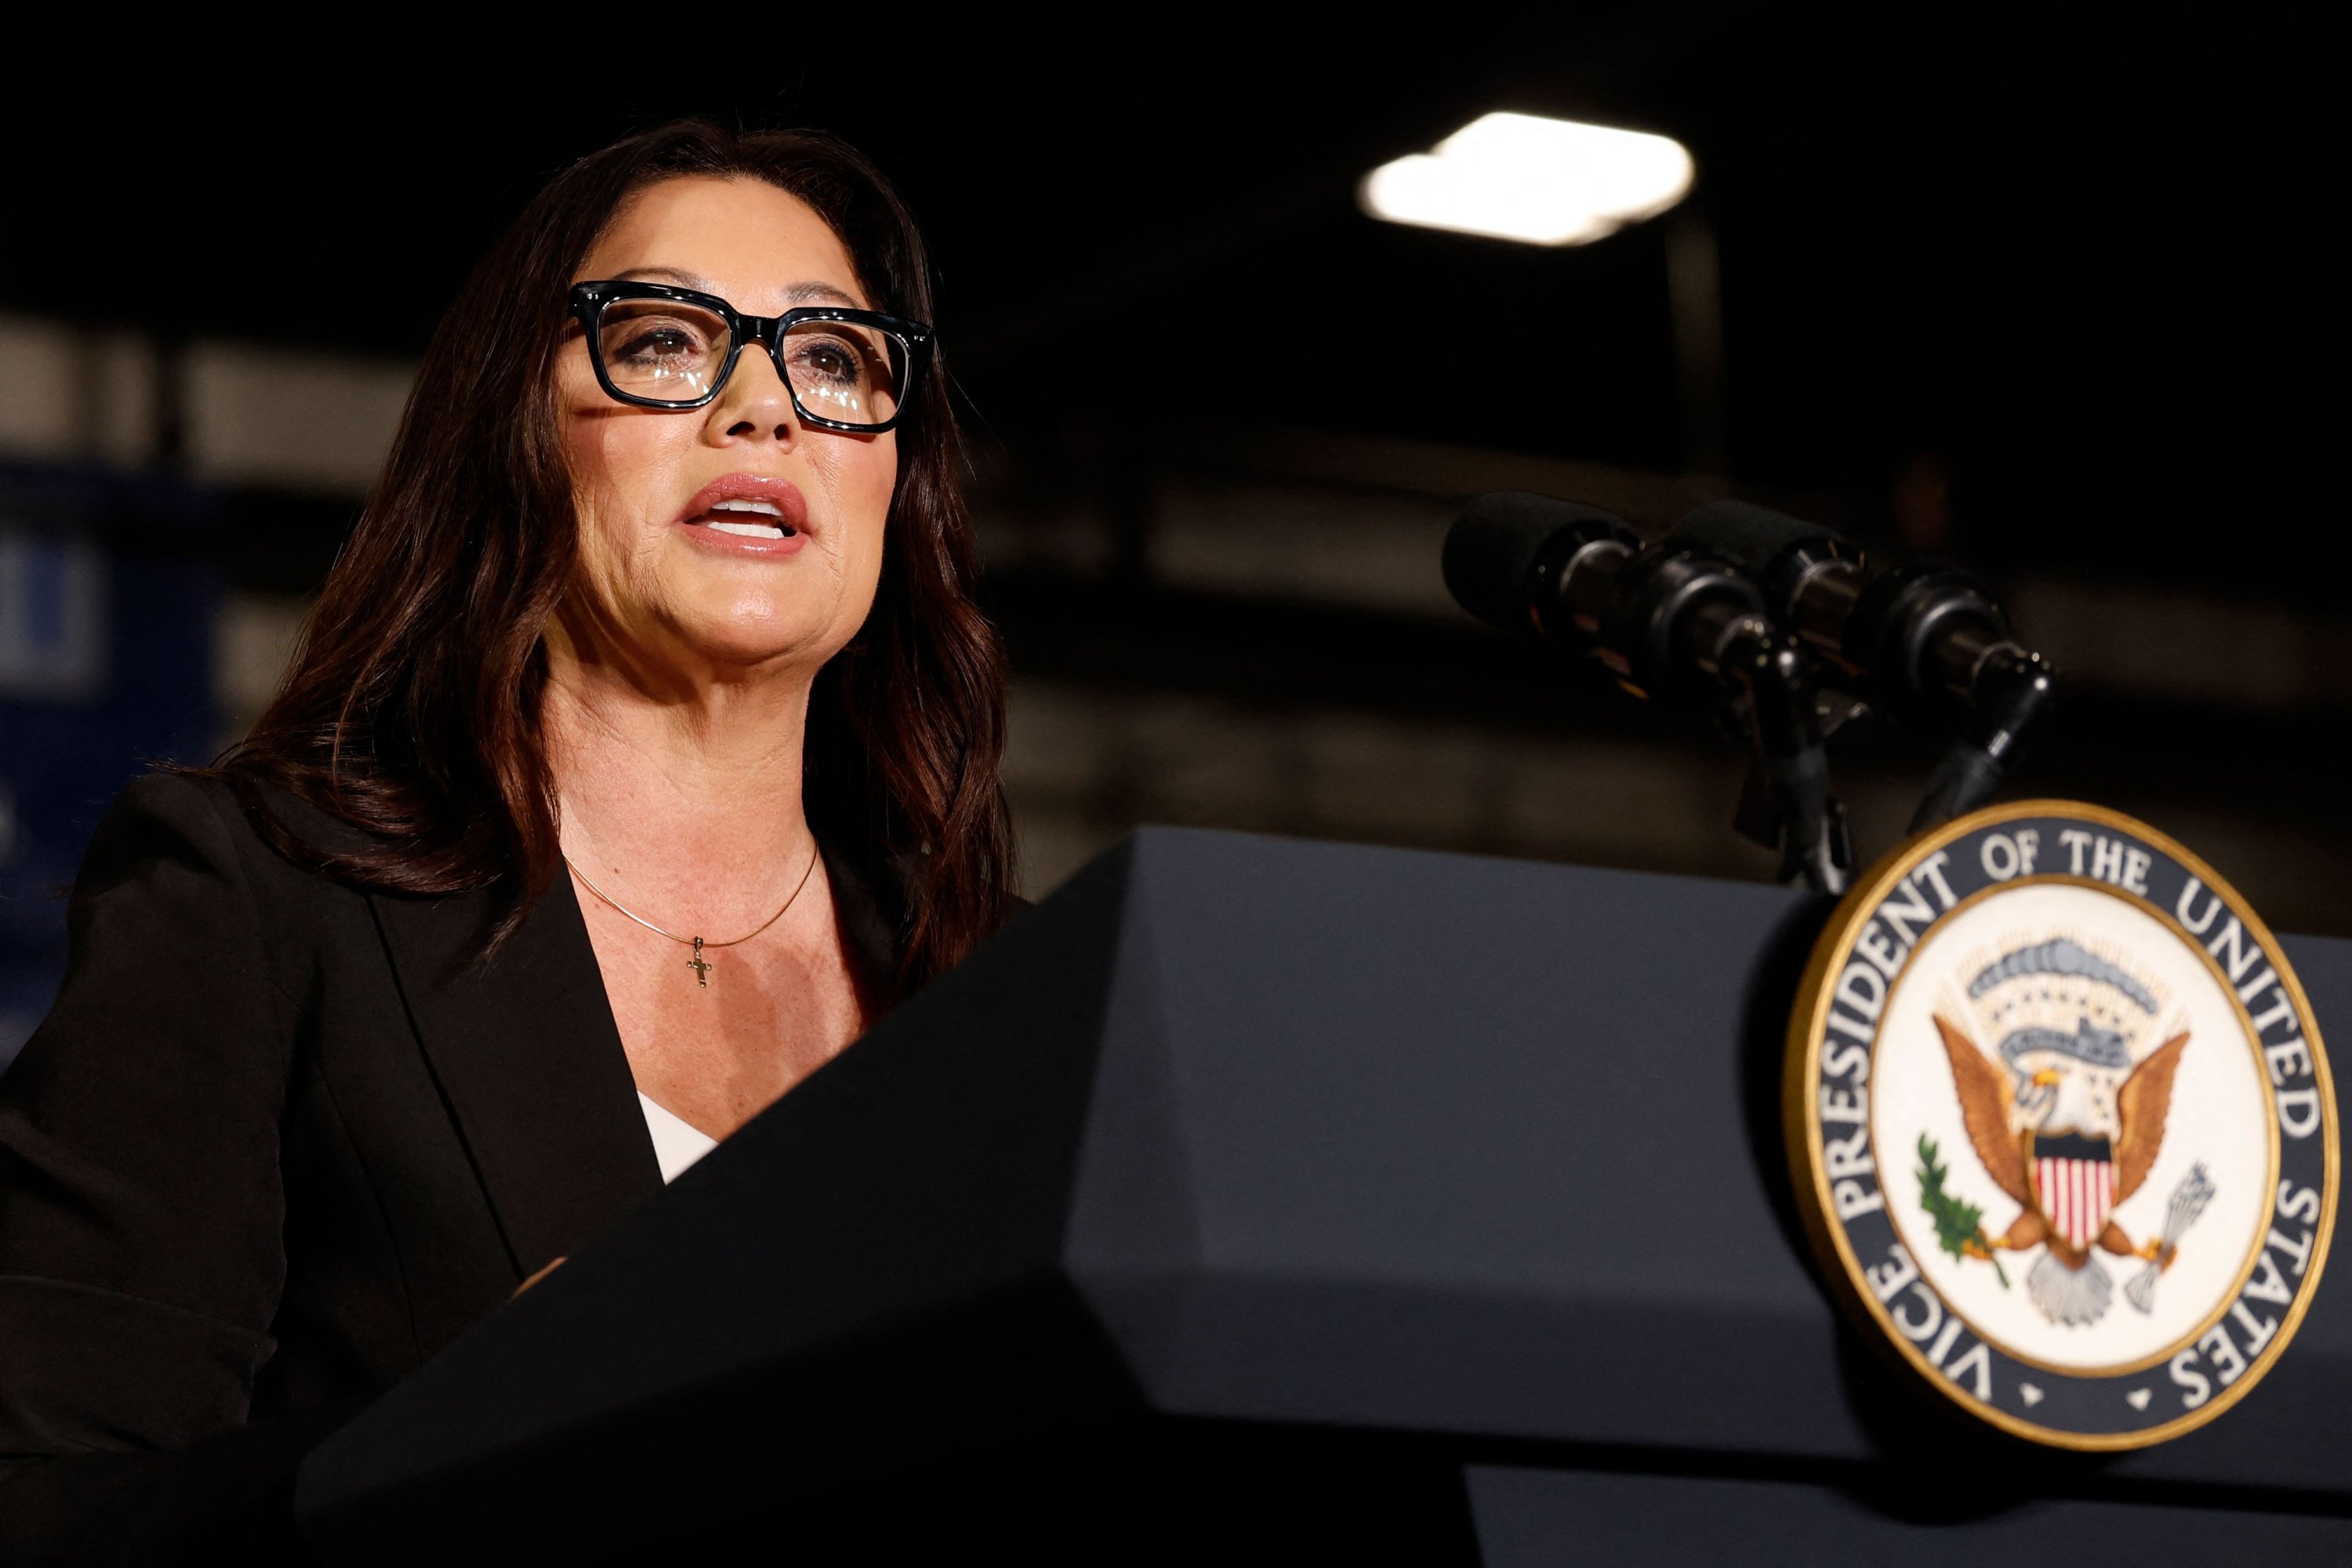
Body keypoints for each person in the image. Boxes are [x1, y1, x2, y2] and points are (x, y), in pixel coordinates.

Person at [0, 121, 1015, 1557]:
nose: (763, 407)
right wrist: (455, 1437)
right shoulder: (259, 892)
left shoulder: (1006, 990)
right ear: (512, 431)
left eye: (836, 359)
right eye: (662, 342)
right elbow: (40, 1507)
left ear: (896, 479)